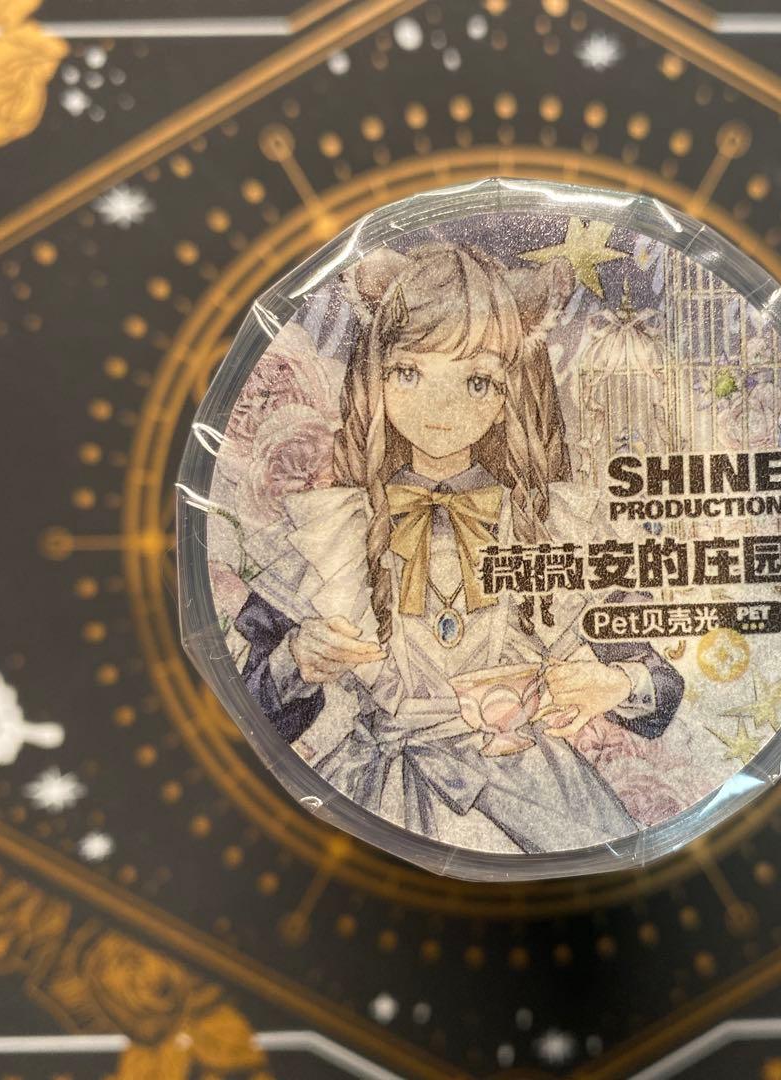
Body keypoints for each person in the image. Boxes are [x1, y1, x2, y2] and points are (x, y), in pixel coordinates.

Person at [233, 241, 684, 854]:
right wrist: (299, 662)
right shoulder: (334, 527)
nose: (440, 407)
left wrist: (615, 683)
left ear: (509, 394)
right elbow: (246, 713)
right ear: (375, 378)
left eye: (476, 381)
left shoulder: (555, 524)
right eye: (409, 373)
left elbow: (659, 679)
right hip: (375, 791)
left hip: (533, 791)